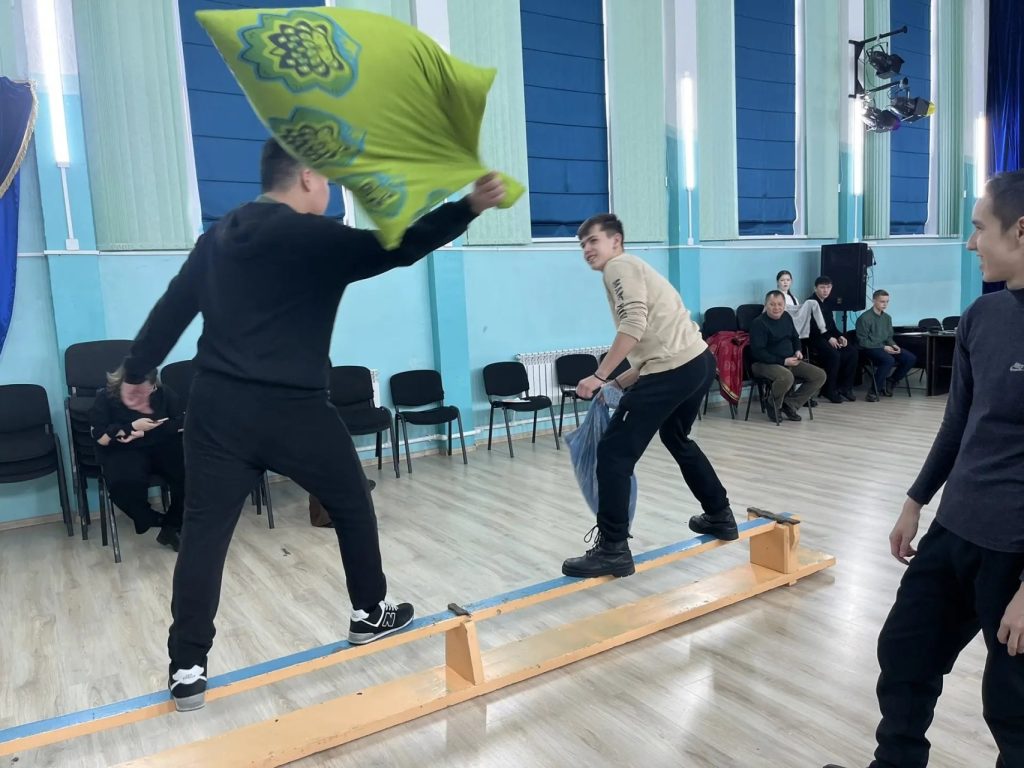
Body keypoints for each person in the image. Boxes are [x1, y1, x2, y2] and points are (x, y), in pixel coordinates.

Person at [118, 138, 506, 712]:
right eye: (327, 180)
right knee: (351, 502)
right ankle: (369, 612)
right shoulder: (318, 238)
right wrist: (467, 206)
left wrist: (136, 371)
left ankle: (187, 666)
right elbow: (400, 246)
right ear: (305, 176)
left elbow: (173, 308)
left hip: (217, 407)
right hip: (294, 409)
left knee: (204, 534)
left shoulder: (218, 237)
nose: (328, 190)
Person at [823, 172, 1024, 768]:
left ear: (1020, 230)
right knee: (905, 654)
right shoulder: (982, 316)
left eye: (980, 228)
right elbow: (957, 422)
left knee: (1012, 703)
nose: (970, 243)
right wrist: (915, 501)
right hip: (954, 530)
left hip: (1015, 553)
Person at [561, 214, 737, 579]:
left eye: (593, 241)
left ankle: (613, 549)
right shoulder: (635, 268)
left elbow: (634, 325)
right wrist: (618, 383)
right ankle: (719, 514)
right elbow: (656, 343)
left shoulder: (619, 267)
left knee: (613, 453)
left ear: (616, 241)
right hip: (697, 362)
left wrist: (599, 375)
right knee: (677, 437)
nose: (587, 249)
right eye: (583, 245)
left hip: (673, 370)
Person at [89, 366, 184, 550]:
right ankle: (158, 520)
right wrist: (131, 427)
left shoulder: (163, 393)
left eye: (151, 390)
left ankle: (172, 526)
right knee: (123, 485)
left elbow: (181, 420)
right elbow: (101, 437)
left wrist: (154, 429)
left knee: (191, 472)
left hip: (161, 445)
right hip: (124, 450)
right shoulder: (107, 398)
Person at [748, 291, 827, 422]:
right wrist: (783, 361)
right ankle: (772, 404)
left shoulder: (786, 316)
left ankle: (790, 404)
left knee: (819, 375)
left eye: (780, 304)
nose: (776, 308)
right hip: (763, 363)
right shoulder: (758, 323)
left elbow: (795, 337)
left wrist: (798, 350)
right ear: (766, 305)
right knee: (786, 377)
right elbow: (758, 352)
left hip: (789, 360)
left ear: (784, 305)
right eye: (772, 304)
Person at [855, 290, 917, 401]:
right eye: (882, 301)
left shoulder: (887, 317)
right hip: (869, 348)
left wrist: (893, 345)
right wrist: (883, 347)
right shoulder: (864, 318)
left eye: (887, 302)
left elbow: (888, 337)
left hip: (884, 346)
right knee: (888, 360)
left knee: (910, 358)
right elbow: (862, 341)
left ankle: (891, 381)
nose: (885, 304)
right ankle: (873, 392)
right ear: (874, 301)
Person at [807, 276, 858, 404]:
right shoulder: (810, 302)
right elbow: (813, 327)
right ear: (815, 288)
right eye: (822, 287)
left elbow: (831, 325)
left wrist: (840, 336)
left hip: (828, 336)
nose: (825, 290)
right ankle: (828, 390)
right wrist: (829, 338)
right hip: (815, 338)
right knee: (834, 355)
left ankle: (845, 388)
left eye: (828, 287)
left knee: (851, 351)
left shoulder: (829, 302)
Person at [776, 269, 827, 338]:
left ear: (791, 282)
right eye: (782, 280)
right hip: (784, 324)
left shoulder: (794, 298)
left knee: (812, 302)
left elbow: (798, 313)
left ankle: (822, 328)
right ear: (777, 282)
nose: (785, 282)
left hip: (796, 323)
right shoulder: (775, 296)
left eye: (788, 280)